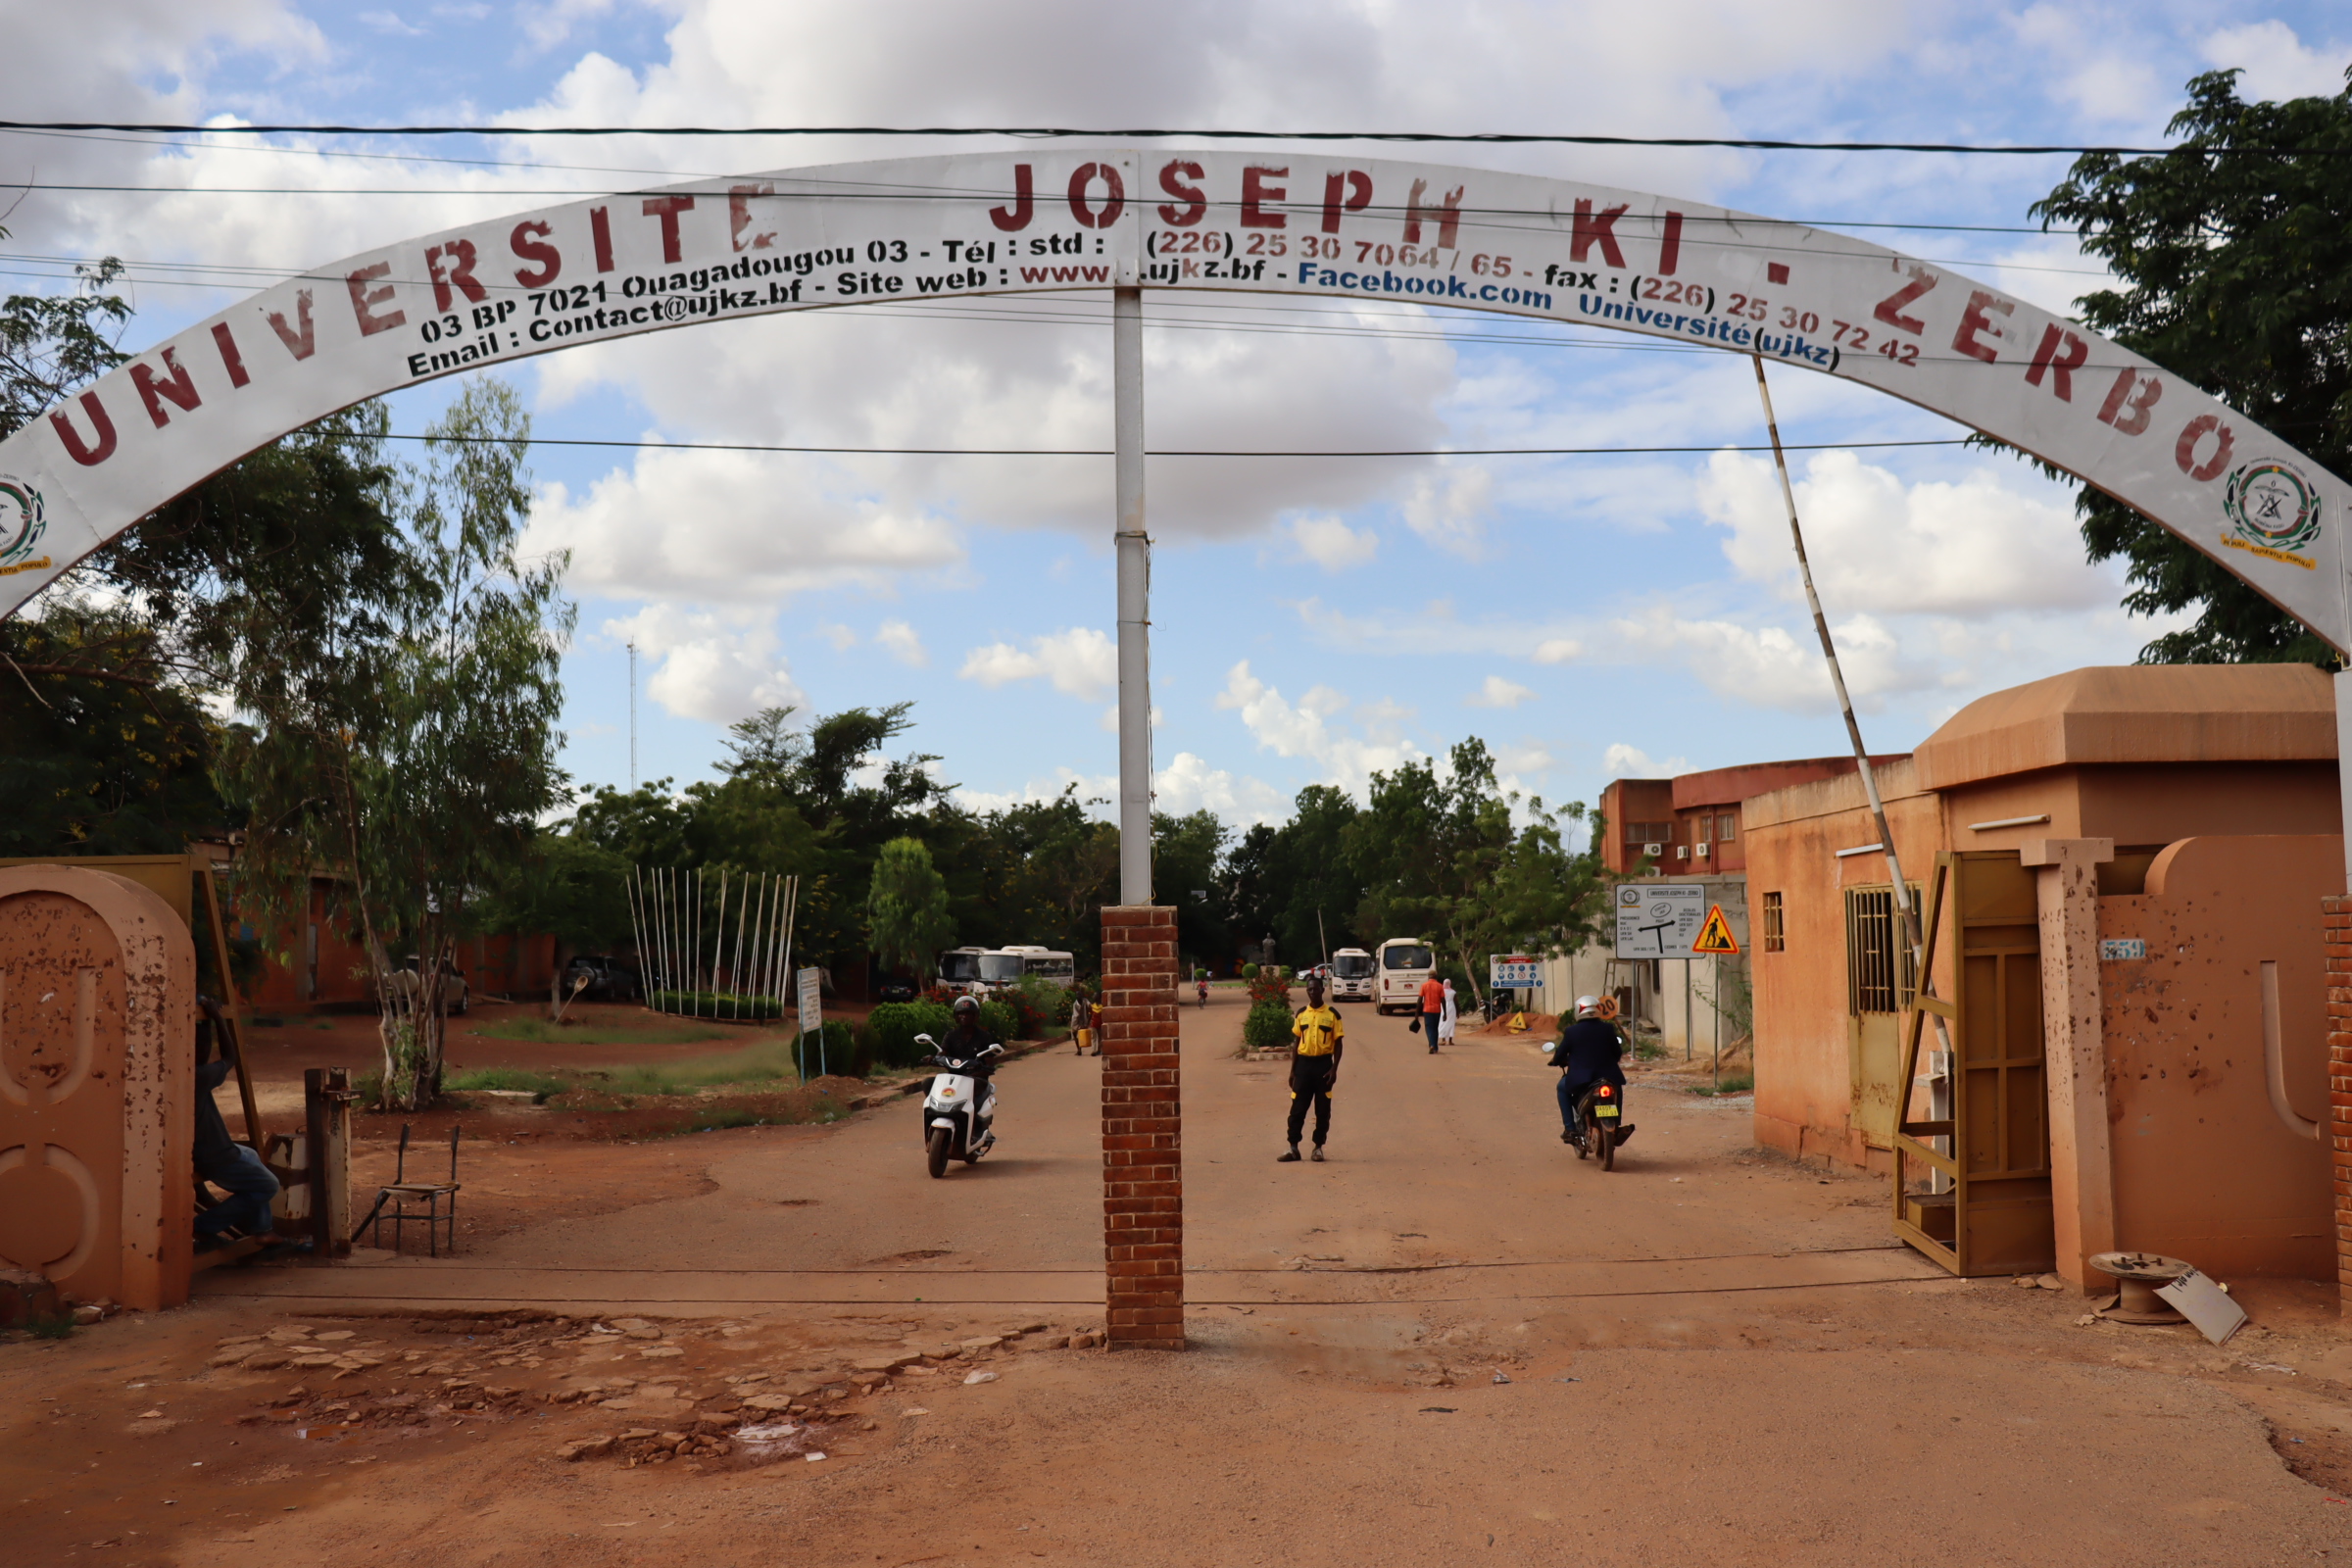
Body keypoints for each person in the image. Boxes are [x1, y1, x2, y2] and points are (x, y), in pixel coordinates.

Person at [192, 996, 280, 1252]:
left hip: (207, 1150)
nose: (208, 1053)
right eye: (205, 1047)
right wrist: (218, 1018)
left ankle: (262, 1229)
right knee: (268, 1185)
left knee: (251, 1154)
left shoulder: (181, 1071)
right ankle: (204, 1226)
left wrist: (207, 1021)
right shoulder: (198, 1075)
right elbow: (231, 1057)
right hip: (213, 1155)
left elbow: (202, 1048)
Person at [1548, 995, 1635, 1149]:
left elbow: (1560, 1053)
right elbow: (1617, 1052)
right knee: (1617, 1091)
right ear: (1598, 1010)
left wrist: (1556, 1061)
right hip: (1608, 1076)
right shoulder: (1608, 1029)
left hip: (1581, 1078)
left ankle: (1570, 1129)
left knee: (1562, 1088)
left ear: (1578, 1011)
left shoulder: (1572, 1031)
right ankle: (1616, 1124)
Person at [1278, 976, 1345, 1162]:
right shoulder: (1301, 1014)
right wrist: (1292, 1071)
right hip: (1303, 1067)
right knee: (1297, 1109)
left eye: (1316, 989)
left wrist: (1334, 1069)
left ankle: (1318, 1147)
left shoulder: (1332, 1015)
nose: (1312, 992)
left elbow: (1338, 1043)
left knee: (1322, 1110)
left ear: (1322, 990)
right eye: (1309, 990)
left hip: (1323, 1066)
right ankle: (1293, 1148)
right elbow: (1296, 1042)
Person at [1416, 969, 1446, 1054]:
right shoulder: (1440, 986)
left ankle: (1432, 1045)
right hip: (1437, 1010)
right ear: (1436, 976)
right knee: (1435, 1028)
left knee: (1429, 1028)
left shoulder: (1424, 985)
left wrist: (1417, 1013)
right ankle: (1435, 1047)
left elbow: (1419, 999)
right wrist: (1445, 1013)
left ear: (1428, 977)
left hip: (1427, 1010)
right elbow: (1443, 1000)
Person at [1070, 989, 1092, 1056]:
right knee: (1075, 1034)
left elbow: (1090, 1007)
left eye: (1079, 994)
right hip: (1076, 1021)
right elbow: (1076, 1015)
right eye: (1077, 995)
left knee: (1080, 1035)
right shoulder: (1075, 1004)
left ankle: (1079, 1050)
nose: (1078, 996)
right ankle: (1078, 1049)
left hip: (1083, 1020)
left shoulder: (1085, 1001)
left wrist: (1088, 1020)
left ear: (1082, 995)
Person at [1438, 978, 1458, 1047]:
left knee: (1442, 1022)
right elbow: (1456, 1002)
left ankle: (1443, 1040)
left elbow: (1439, 1000)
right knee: (1451, 1023)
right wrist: (1458, 1012)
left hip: (1442, 1007)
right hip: (1452, 1007)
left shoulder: (1441, 991)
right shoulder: (1453, 992)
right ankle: (1450, 1041)